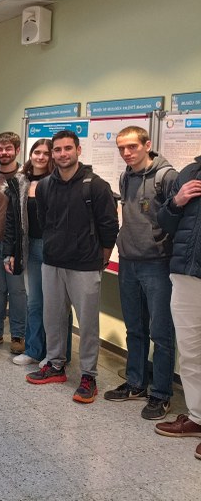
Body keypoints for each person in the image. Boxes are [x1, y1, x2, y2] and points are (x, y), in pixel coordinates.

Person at [26, 130, 119, 404]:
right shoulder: (45, 186)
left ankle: (89, 375)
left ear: (78, 150)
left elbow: (109, 227)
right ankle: (55, 365)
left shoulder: (96, 186)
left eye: (68, 148)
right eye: (57, 149)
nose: (62, 154)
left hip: (85, 265)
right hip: (52, 261)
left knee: (87, 322)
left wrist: (102, 258)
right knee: (53, 317)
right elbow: (44, 220)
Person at [103, 126, 177, 420]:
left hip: (158, 264)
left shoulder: (166, 177)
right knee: (134, 328)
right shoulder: (126, 176)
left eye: (132, 146)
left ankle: (161, 394)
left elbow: (177, 218)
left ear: (147, 145)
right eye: (121, 148)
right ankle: (136, 383)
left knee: (161, 332)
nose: (126, 153)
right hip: (129, 262)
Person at [3, 139, 74, 367]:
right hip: (30, 247)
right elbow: (12, 220)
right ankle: (33, 350)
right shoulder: (19, 182)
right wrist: (10, 252)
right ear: (30, 154)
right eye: (37, 152)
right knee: (34, 302)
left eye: (46, 153)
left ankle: (58, 354)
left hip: (55, 249)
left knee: (58, 303)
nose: (41, 157)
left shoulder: (60, 181)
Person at [155, 154, 201, 459]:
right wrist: (176, 202)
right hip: (186, 272)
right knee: (190, 351)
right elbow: (166, 222)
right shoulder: (190, 171)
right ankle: (197, 417)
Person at [0, 132, 28, 355]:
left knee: (18, 290)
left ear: (17, 150)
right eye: (0, 149)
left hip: (17, 245)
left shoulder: (26, 177)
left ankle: (19, 335)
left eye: (8, 148)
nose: (3, 153)